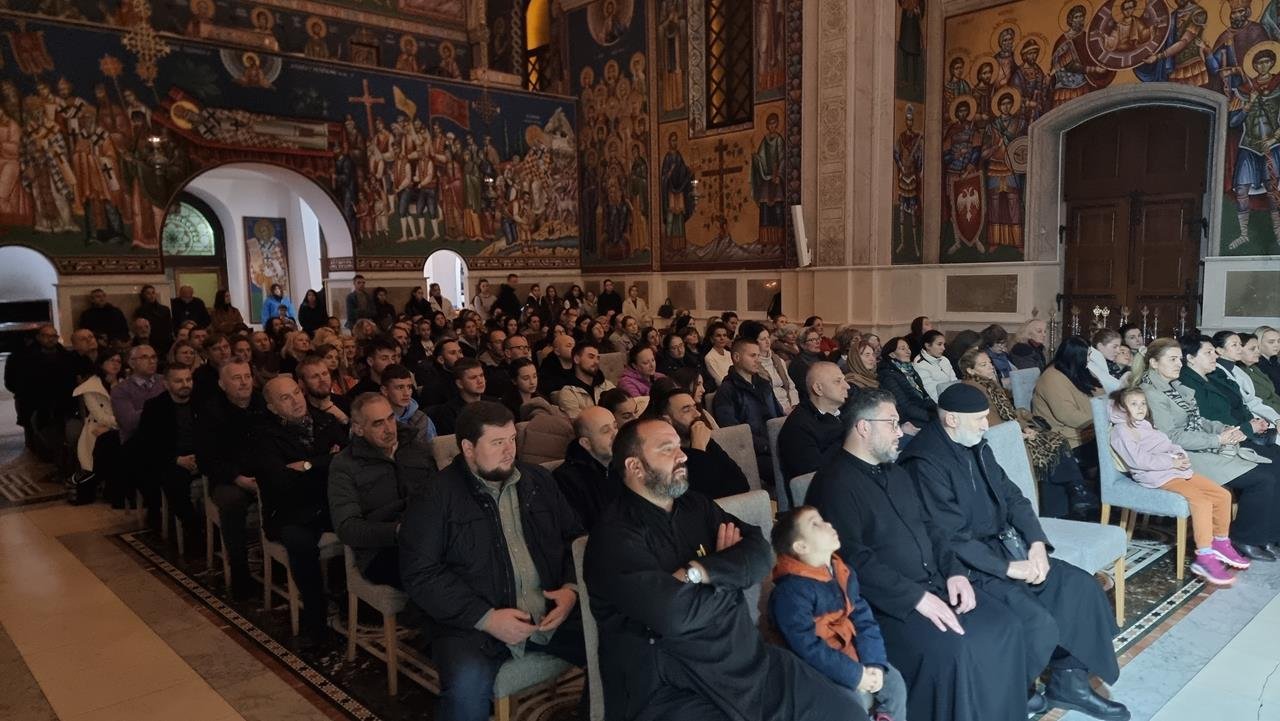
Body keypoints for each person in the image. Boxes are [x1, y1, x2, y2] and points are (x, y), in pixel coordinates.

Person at [584, 418, 867, 721]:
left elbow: (760, 553)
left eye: (679, 446)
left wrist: (697, 572)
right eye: (667, 449)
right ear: (635, 467)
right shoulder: (613, 537)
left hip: (746, 658)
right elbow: (673, 615)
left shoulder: (696, 506)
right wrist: (729, 577)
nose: (682, 456)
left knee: (847, 713)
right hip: (672, 689)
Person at [806, 388, 1038, 721]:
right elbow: (853, 562)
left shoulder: (895, 472)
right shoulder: (833, 485)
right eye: (892, 423)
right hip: (886, 607)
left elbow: (932, 528)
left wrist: (954, 572)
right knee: (957, 650)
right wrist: (916, 598)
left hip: (935, 584)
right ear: (863, 427)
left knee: (1007, 625)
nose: (900, 432)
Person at [901, 384, 1128, 721]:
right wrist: (1009, 569)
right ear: (951, 419)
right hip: (965, 565)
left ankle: (1070, 684)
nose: (985, 425)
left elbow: (1013, 496)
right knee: (1037, 622)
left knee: (1079, 587)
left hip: (1006, 547)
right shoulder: (924, 461)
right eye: (979, 419)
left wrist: (1036, 543)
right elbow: (949, 537)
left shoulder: (975, 444)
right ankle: (1015, 690)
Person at [399, 401, 586, 721]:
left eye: (512, 439)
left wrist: (570, 589)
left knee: (620, 645)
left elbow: (574, 538)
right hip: (471, 624)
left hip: (549, 612)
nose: (509, 450)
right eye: (497, 442)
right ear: (468, 448)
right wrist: (486, 618)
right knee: (465, 690)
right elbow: (420, 573)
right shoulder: (435, 496)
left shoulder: (538, 481)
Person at [1138, 338, 1280, 560]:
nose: (1179, 364)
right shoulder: (1151, 393)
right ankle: (1245, 538)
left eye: (1179, 359)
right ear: (1154, 363)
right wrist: (1217, 439)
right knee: (1264, 478)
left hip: (1200, 446)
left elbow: (1199, 420)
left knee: (1274, 467)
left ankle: (1267, 535)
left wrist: (1224, 429)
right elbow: (1171, 436)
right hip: (1180, 456)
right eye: (1172, 359)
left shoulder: (1174, 387)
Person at [769, 506, 908, 721]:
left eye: (823, 519)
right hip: (817, 671)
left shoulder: (842, 572)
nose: (828, 524)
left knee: (895, 684)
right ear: (801, 546)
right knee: (852, 705)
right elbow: (806, 647)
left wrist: (874, 663)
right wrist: (855, 675)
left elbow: (864, 620)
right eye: (815, 524)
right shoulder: (791, 592)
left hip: (850, 655)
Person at [1109, 387, 1250, 585]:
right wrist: (1171, 462)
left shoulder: (1145, 424)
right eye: (1134, 404)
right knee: (1201, 502)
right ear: (1122, 408)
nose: (1140, 408)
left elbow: (1168, 444)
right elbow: (1138, 460)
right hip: (1157, 476)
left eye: (1143, 403)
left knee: (1222, 495)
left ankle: (1220, 542)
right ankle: (1204, 556)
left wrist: (1180, 456)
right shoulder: (1122, 431)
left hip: (1175, 470)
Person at [249, 376, 348, 647]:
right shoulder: (264, 436)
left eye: (296, 393)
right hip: (290, 511)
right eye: (285, 398)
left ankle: (355, 601)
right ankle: (316, 622)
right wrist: (327, 462)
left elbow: (347, 459)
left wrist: (307, 465)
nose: (296, 401)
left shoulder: (324, 421)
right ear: (272, 408)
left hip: (328, 502)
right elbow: (281, 482)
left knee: (365, 521)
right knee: (301, 543)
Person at [958, 348, 1097, 521]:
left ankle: (1068, 501)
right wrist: (1018, 434)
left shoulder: (990, 384)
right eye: (983, 364)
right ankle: (1075, 495)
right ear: (971, 371)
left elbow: (1009, 413)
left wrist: (1025, 427)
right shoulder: (974, 390)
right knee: (1052, 445)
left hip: (1011, 430)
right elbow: (990, 423)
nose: (990, 367)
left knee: (1055, 442)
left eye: (990, 362)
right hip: (1000, 439)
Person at [329, 393, 432, 588]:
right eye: (378, 423)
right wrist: (397, 531)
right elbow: (347, 528)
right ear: (358, 429)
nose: (389, 429)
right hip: (381, 549)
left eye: (391, 418)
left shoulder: (415, 447)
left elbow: (440, 494)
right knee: (434, 573)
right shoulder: (345, 465)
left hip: (429, 535)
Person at [195, 360, 267, 597]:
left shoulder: (262, 403)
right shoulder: (210, 411)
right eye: (236, 378)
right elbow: (207, 459)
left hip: (262, 472)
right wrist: (237, 478)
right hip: (228, 478)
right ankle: (240, 573)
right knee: (232, 502)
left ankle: (277, 564)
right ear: (222, 384)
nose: (244, 382)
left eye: (247, 376)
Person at [133, 363, 201, 545]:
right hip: (171, 458)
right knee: (175, 480)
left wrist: (200, 457)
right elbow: (148, 445)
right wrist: (177, 459)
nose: (185, 384)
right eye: (179, 381)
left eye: (188, 379)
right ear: (166, 384)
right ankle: (193, 529)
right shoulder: (155, 407)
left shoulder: (201, 403)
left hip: (200, 455)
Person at [1178, 335, 1276, 448]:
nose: (1215, 356)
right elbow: (1209, 418)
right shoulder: (1187, 383)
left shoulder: (1214, 376)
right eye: (1209, 352)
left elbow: (1238, 403)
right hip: (1226, 440)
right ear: (1190, 358)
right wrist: (1249, 427)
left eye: (1214, 352)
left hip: (1242, 432)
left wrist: (1253, 421)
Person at [713, 336, 784, 488]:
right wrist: (766, 446)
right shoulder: (726, 391)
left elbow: (778, 415)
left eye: (758, 356)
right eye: (752, 356)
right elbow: (733, 432)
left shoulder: (764, 384)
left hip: (776, 443)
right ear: (737, 357)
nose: (758, 360)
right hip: (753, 452)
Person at [654, 389, 750, 498]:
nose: (697, 414)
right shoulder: (665, 456)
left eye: (695, 407)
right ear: (668, 420)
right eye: (686, 410)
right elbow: (694, 499)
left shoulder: (705, 440)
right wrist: (698, 449)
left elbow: (742, 484)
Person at [4, 324, 79, 459]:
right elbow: (12, 381)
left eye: (53, 336)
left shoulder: (66, 357)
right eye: (46, 336)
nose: (50, 339)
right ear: (39, 337)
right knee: (38, 440)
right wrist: (25, 393)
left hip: (60, 403)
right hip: (34, 403)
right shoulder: (23, 358)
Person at [778, 362, 851, 486]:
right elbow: (812, 478)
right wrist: (850, 440)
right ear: (818, 389)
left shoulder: (847, 413)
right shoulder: (798, 428)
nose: (847, 386)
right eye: (838, 381)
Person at [1031, 336, 1102, 453]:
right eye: (1088, 355)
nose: (1090, 359)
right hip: (1067, 438)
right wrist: (1100, 422)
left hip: (1088, 430)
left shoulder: (1076, 370)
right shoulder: (1052, 378)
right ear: (1076, 357)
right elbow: (1067, 415)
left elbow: (1099, 394)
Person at [553, 405, 619, 530]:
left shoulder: (625, 464)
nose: (615, 434)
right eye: (606, 431)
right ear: (586, 443)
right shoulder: (566, 479)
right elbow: (579, 528)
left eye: (615, 426)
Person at [1213, 331, 1280, 426]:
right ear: (1220, 350)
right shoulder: (1215, 373)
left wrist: (1276, 419)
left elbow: (1253, 401)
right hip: (1233, 423)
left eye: (1240, 344)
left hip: (1252, 419)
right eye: (1234, 345)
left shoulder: (1237, 370)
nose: (1240, 348)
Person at [878, 336, 935, 434]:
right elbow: (905, 407)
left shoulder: (909, 370)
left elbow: (924, 396)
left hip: (921, 411)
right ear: (892, 354)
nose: (908, 351)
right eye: (902, 349)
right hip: (907, 419)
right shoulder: (888, 375)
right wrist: (930, 416)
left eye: (908, 348)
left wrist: (938, 410)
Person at [740, 320, 798, 414]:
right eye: (763, 339)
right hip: (772, 411)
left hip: (789, 406)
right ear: (754, 343)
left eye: (768, 337)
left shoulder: (778, 360)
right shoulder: (752, 365)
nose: (767, 341)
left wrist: (794, 405)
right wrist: (783, 411)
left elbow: (791, 386)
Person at [111, 344, 163, 444]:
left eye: (153, 357)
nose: (152, 361)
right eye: (145, 357)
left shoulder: (166, 381)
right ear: (132, 363)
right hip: (136, 443)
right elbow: (129, 422)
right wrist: (159, 408)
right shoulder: (120, 390)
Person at [551, 341, 617, 419]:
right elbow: (579, 421)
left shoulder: (607, 385)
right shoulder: (569, 392)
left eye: (597, 358)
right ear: (576, 359)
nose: (596, 361)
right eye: (591, 357)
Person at [428, 358, 489, 435]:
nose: (480, 381)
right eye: (473, 377)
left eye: (481, 375)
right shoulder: (449, 413)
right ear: (460, 384)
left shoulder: (494, 404)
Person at [379, 363, 437, 444]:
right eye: (400, 387)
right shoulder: (376, 420)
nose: (406, 393)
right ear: (385, 390)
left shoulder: (423, 419)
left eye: (409, 387)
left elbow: (434, 449)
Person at [295, 354, 351, 429]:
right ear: (302, 383)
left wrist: (344, 419)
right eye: (315, 376)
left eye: (325, 374)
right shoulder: (300, 411)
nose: (322, 379)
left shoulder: (347, 403)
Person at [1240, 333, 1280, 415]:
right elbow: (1261, 401)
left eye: (1258, 348)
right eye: (1252, 349)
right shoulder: (1240, 373)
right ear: (1238, 351)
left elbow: (1273, 395)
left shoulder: (1254, 368)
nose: (1258, 352)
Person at [350, 336, 400, 400]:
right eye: (384, 358)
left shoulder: (401, 385)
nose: (391, 362)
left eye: (393, 358)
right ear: (370, 361)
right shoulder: (359, 393)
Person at [913, 330, 957, 402]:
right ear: (927, 346)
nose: (943, 348)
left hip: (953, 396)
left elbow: (954, 381)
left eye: (944, 344)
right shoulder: (920, 365)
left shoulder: (944, 359)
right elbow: (932, 394)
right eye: (939, 344)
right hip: (941, 402)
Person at [787, 326, 827, 401]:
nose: (818, 342)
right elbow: (804, 390)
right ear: (802, 345)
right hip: (809, 399)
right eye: (812, 340)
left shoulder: (821, 356)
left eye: (818, 338)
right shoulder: (797, 365)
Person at [134, 285, 174, 355]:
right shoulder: (140, 311)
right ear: (144, 295)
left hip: (165, 341)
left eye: (153, 293)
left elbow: (169, 326)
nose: (151, 295)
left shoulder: (165, 309)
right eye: (148, 293)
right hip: (151, 340)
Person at [1087, 329, 1129, 394]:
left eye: (1119, 347)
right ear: (1100, 346)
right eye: (1115, 347)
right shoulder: (1091, 362)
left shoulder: (1098, 361)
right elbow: (1114, 388)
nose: (1118, 351)